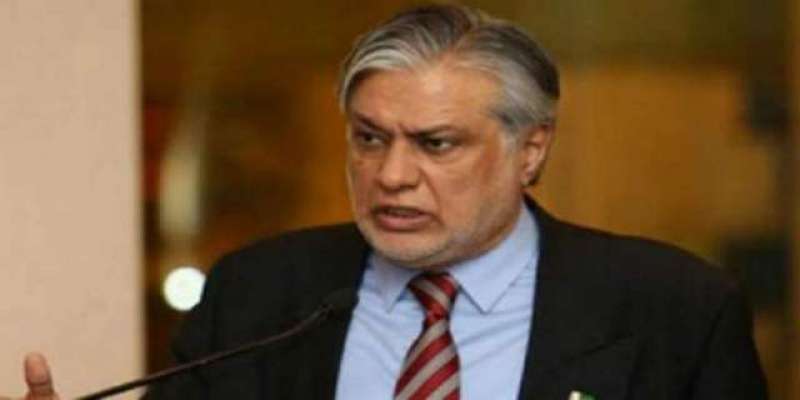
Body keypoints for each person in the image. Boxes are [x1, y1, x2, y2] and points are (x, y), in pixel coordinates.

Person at [4, 4, 767, 400]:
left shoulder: (674, 309)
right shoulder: (258, 295)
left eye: (436, 144)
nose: (391, 175)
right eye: (369, 138)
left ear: (530, 150)